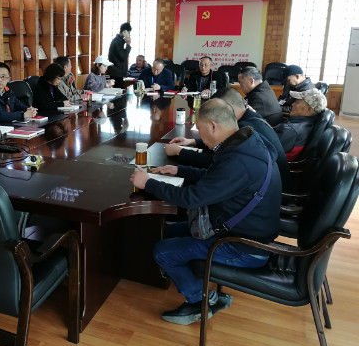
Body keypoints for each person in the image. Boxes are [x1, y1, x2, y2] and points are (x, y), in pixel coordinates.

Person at [130, 99, 281, 326]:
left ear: (213, 125)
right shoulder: (247, 142)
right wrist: (180, 170)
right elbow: (217, 180)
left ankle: (201, 301)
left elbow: (191, 198)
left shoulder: (238, 161)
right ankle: (185, 280)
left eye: (200, 129)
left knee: (163, 251)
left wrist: (148, 183)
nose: (199, 136)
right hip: (242, 229)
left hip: (244, 247)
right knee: (168, 231)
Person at [167, 88, 290, 188]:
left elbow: (215, 162)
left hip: (267, 189)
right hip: (271, 185)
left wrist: (180, 152)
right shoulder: (249, 118)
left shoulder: (244, 129)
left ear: (229, 108)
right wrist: (193, 142)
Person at [274, 88, 327, 161]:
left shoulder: (290, 130)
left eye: (297, 102)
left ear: (308, 109)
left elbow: (265, 149)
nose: (292, 104)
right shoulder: (310, 123)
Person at [107, 22, 132, 88]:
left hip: (117, 72)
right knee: (119, 91)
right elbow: (123, 56)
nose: (129, 35)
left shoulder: (119, 41)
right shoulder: (117, 42)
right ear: (124, 31)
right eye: (128, 32)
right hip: (116, 73)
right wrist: (128, 45)